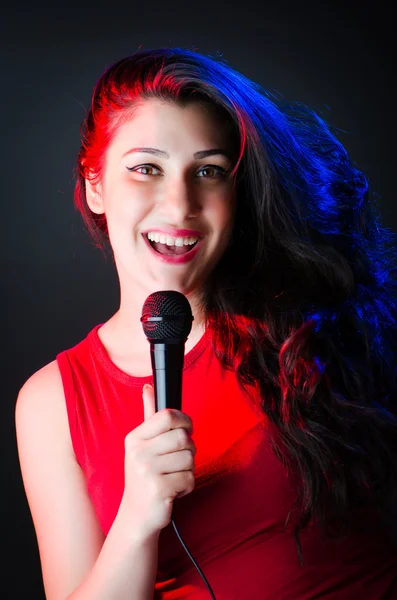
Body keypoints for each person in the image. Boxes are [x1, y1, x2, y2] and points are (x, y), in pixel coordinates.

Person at [15, 46, 397, 600]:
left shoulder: (307, 329)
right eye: (146, 168)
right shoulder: (53, 401)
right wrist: (138, 515)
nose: (179, 205)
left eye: (209, 171)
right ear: (95, 183)